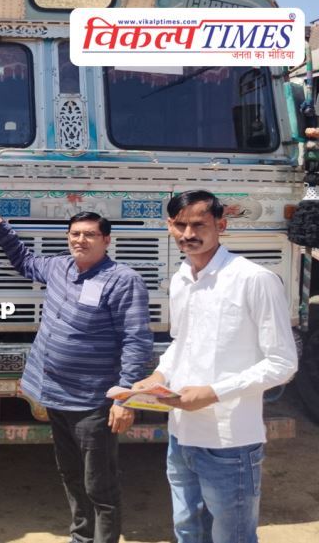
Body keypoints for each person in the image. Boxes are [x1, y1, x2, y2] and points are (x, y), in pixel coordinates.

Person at [0, 198, 152, 543]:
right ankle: (81, 537)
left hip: (93, 401)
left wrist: (124, 398)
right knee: (71, 475)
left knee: (99, 482)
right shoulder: (59, 267)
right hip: (56, 395)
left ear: (106, 240)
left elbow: (136, 341)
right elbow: (23, 260)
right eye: (74, 234)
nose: (80, 241)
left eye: (89, 235)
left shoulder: (123, 281)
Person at [132, 190, 297, 543]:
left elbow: (283, 363)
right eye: (180, 225)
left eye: (198, 224)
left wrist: (213, 393)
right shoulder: (181, 279)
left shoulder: (254, 279)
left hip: (230, 442)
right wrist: (158, 376)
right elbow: (181, 342)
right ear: (169, 226)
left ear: (221, 225)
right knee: (188, 530)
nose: (188, 233)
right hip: (180, 436)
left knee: (232, 537)